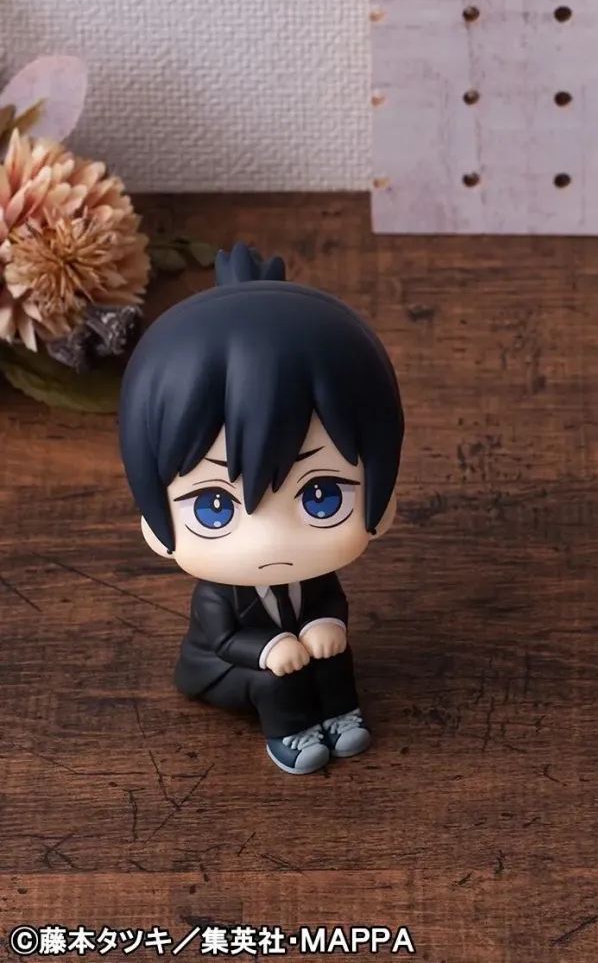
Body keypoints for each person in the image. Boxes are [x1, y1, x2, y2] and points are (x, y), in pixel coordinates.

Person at [118, 243, 404, 775]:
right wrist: (270, 648)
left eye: (322, 495)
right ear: (155, 526)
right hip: (225, 669)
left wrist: (327, 624)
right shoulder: (217, 592)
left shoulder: (316, 577)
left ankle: (341, 716)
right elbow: (223, 639)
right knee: (276, 679)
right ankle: (291, 734)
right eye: (215, 507)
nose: (269, 540)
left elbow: (330, 602)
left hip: (297, 653)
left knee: (333, 651)